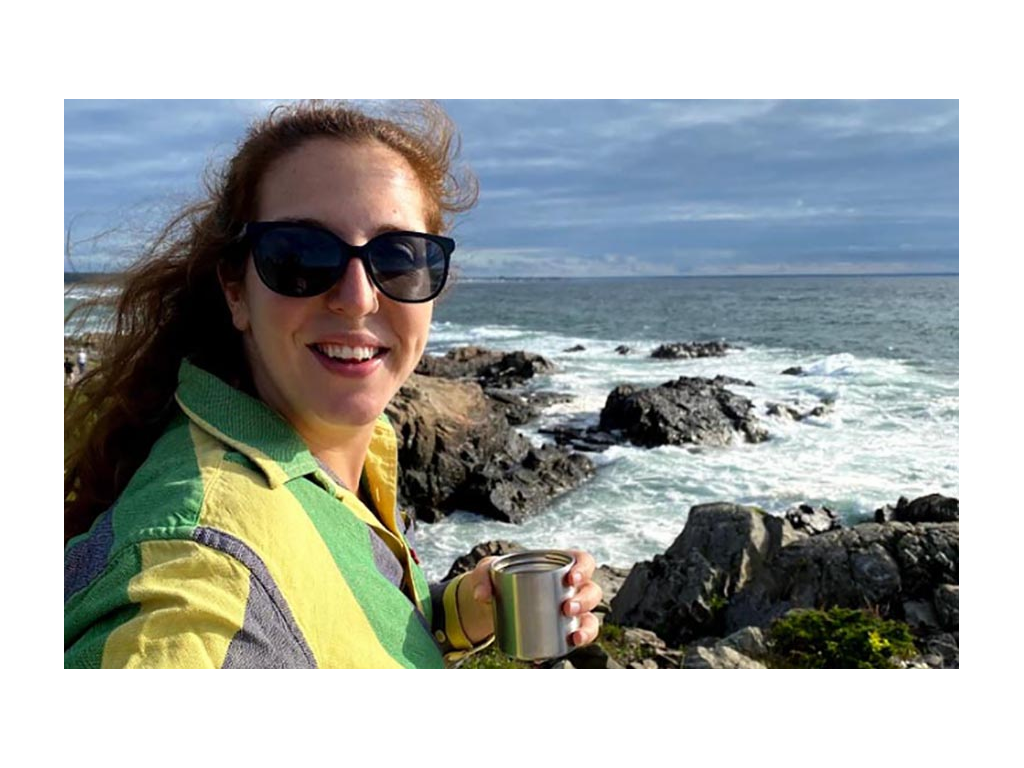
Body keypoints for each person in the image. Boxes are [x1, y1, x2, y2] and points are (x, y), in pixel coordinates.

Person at [64, 100, 603, 668]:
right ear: (235, 290)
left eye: (397, 258)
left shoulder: (338, 460)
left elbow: (324, 624)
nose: (358, 297)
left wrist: (456, 614)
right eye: (300, 256)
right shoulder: (198, 565)